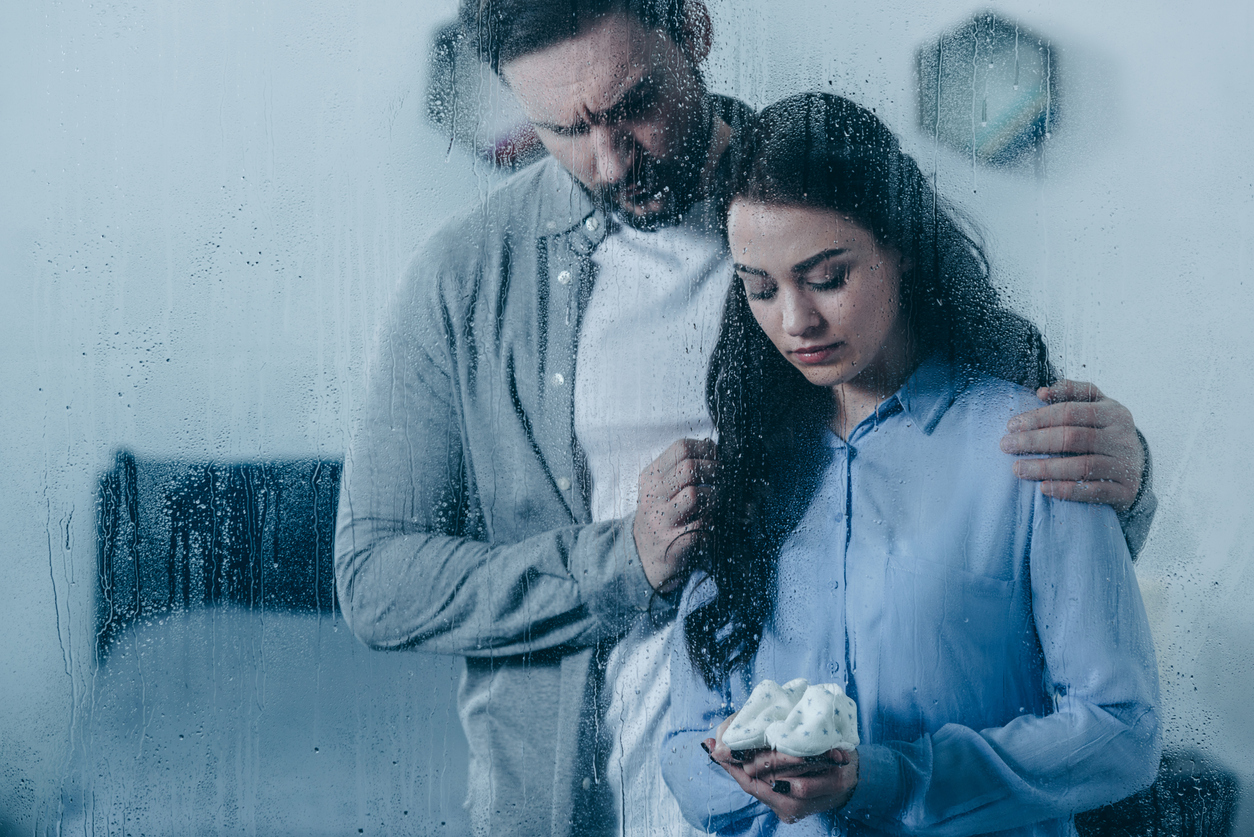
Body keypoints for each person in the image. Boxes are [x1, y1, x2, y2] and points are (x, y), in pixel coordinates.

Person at [334, 2, 1158, 834]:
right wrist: (623, 560)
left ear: (693, 30)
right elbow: (375, 581)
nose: (611, 158)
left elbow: (1004, 502)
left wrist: (1130, 474)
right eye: (564, 128)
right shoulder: (465, 277)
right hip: (579, 803)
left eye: (634, 105)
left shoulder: (825, 188)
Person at [662, 92, 1160, 836]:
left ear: (899, 245)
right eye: (760, 288)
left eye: (826, 276)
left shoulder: (1030, 446)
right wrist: (757, 776)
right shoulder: (750, 469)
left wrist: (892, 777)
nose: (794, 321)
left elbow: (1121, 731)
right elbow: (684, 745)